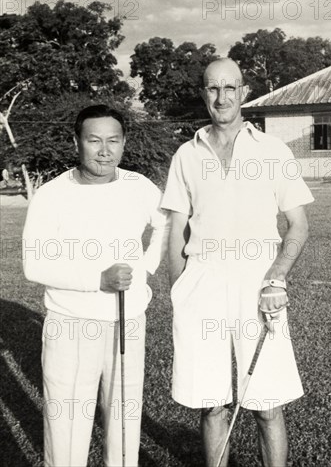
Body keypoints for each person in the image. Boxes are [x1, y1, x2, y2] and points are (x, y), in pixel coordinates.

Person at [161, 58, 314, 467]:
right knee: (210, 404)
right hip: (202, 281)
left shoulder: (272, 149)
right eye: (213, 88)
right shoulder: (186, 154)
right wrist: (180, 290)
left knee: (266, 404)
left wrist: (277, 277)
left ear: (244, 92)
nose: (222, 97)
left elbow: (297, 225)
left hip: (259, 281)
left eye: (230, 88)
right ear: (203, 93)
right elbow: (176, 231)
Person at [22, 104, 168, 467]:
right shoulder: (52, 195)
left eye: (113, 141)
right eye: (94, 140)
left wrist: (146, 267)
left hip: (128, 319)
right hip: (71, 322)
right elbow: (34, 264)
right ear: (77, 142)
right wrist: (97, 280)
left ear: (123, 143)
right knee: (67, 423)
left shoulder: (140, 186)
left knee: (124, 419)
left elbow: (164, 224)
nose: (105, 150)